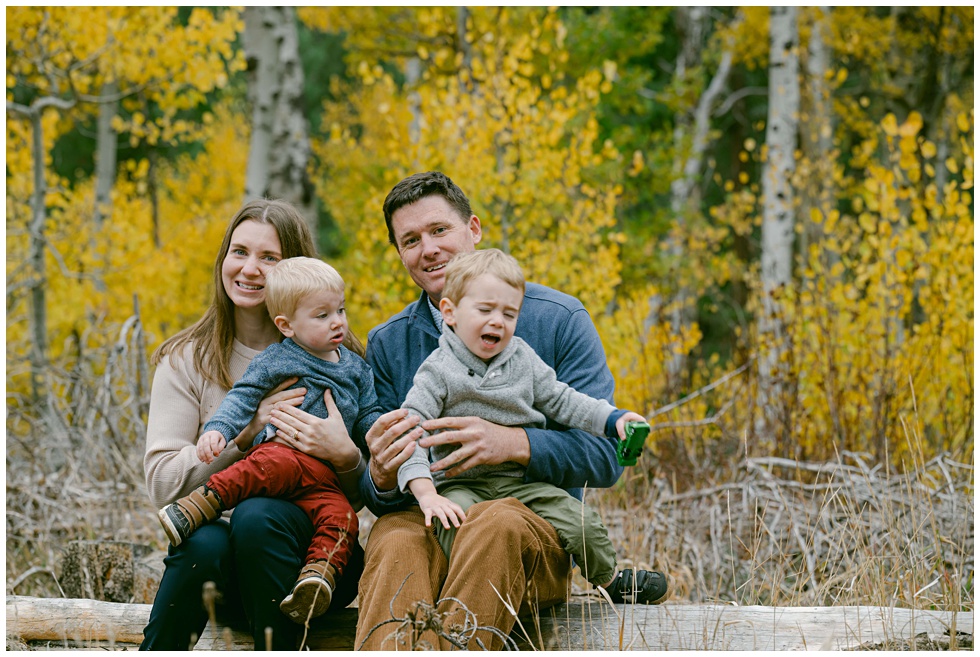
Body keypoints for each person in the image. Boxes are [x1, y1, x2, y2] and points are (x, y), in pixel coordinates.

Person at [356, 171, 635, 650]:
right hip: (429, 514)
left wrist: (515, 443)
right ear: (400, 254)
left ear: (474, 229)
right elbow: (376, 491)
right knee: (394, 537)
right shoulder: (388, 343)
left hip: (530, 519)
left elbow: (607, 457)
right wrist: (381, 475)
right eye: (410, 240)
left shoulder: (559, 320)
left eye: (440, 230)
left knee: (494, 523)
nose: (428, 249)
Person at [141, 199, 366, 651]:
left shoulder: (343, 360)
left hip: (315, 566)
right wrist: (244, 436)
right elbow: (164, 485)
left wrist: (345, 455)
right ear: (223, 259)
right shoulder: (186, 360)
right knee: (205, 541)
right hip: (220, 569)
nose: (249, 269)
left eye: (269, 258)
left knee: (258, 516)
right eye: (239, 252)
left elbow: (368, 493)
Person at [395, 248, 670, 604]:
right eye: (485, 310)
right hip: (462, 487)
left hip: (523, 484)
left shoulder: (522, 358)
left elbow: (563, 400)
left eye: (510, 314)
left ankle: (609, 579)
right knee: (458, 529)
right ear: (450, 312)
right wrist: (426, 493)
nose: (498, 321)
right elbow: (410, 431)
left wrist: (613, 419)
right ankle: (460, 590)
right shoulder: (436, 371)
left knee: (582, 523)